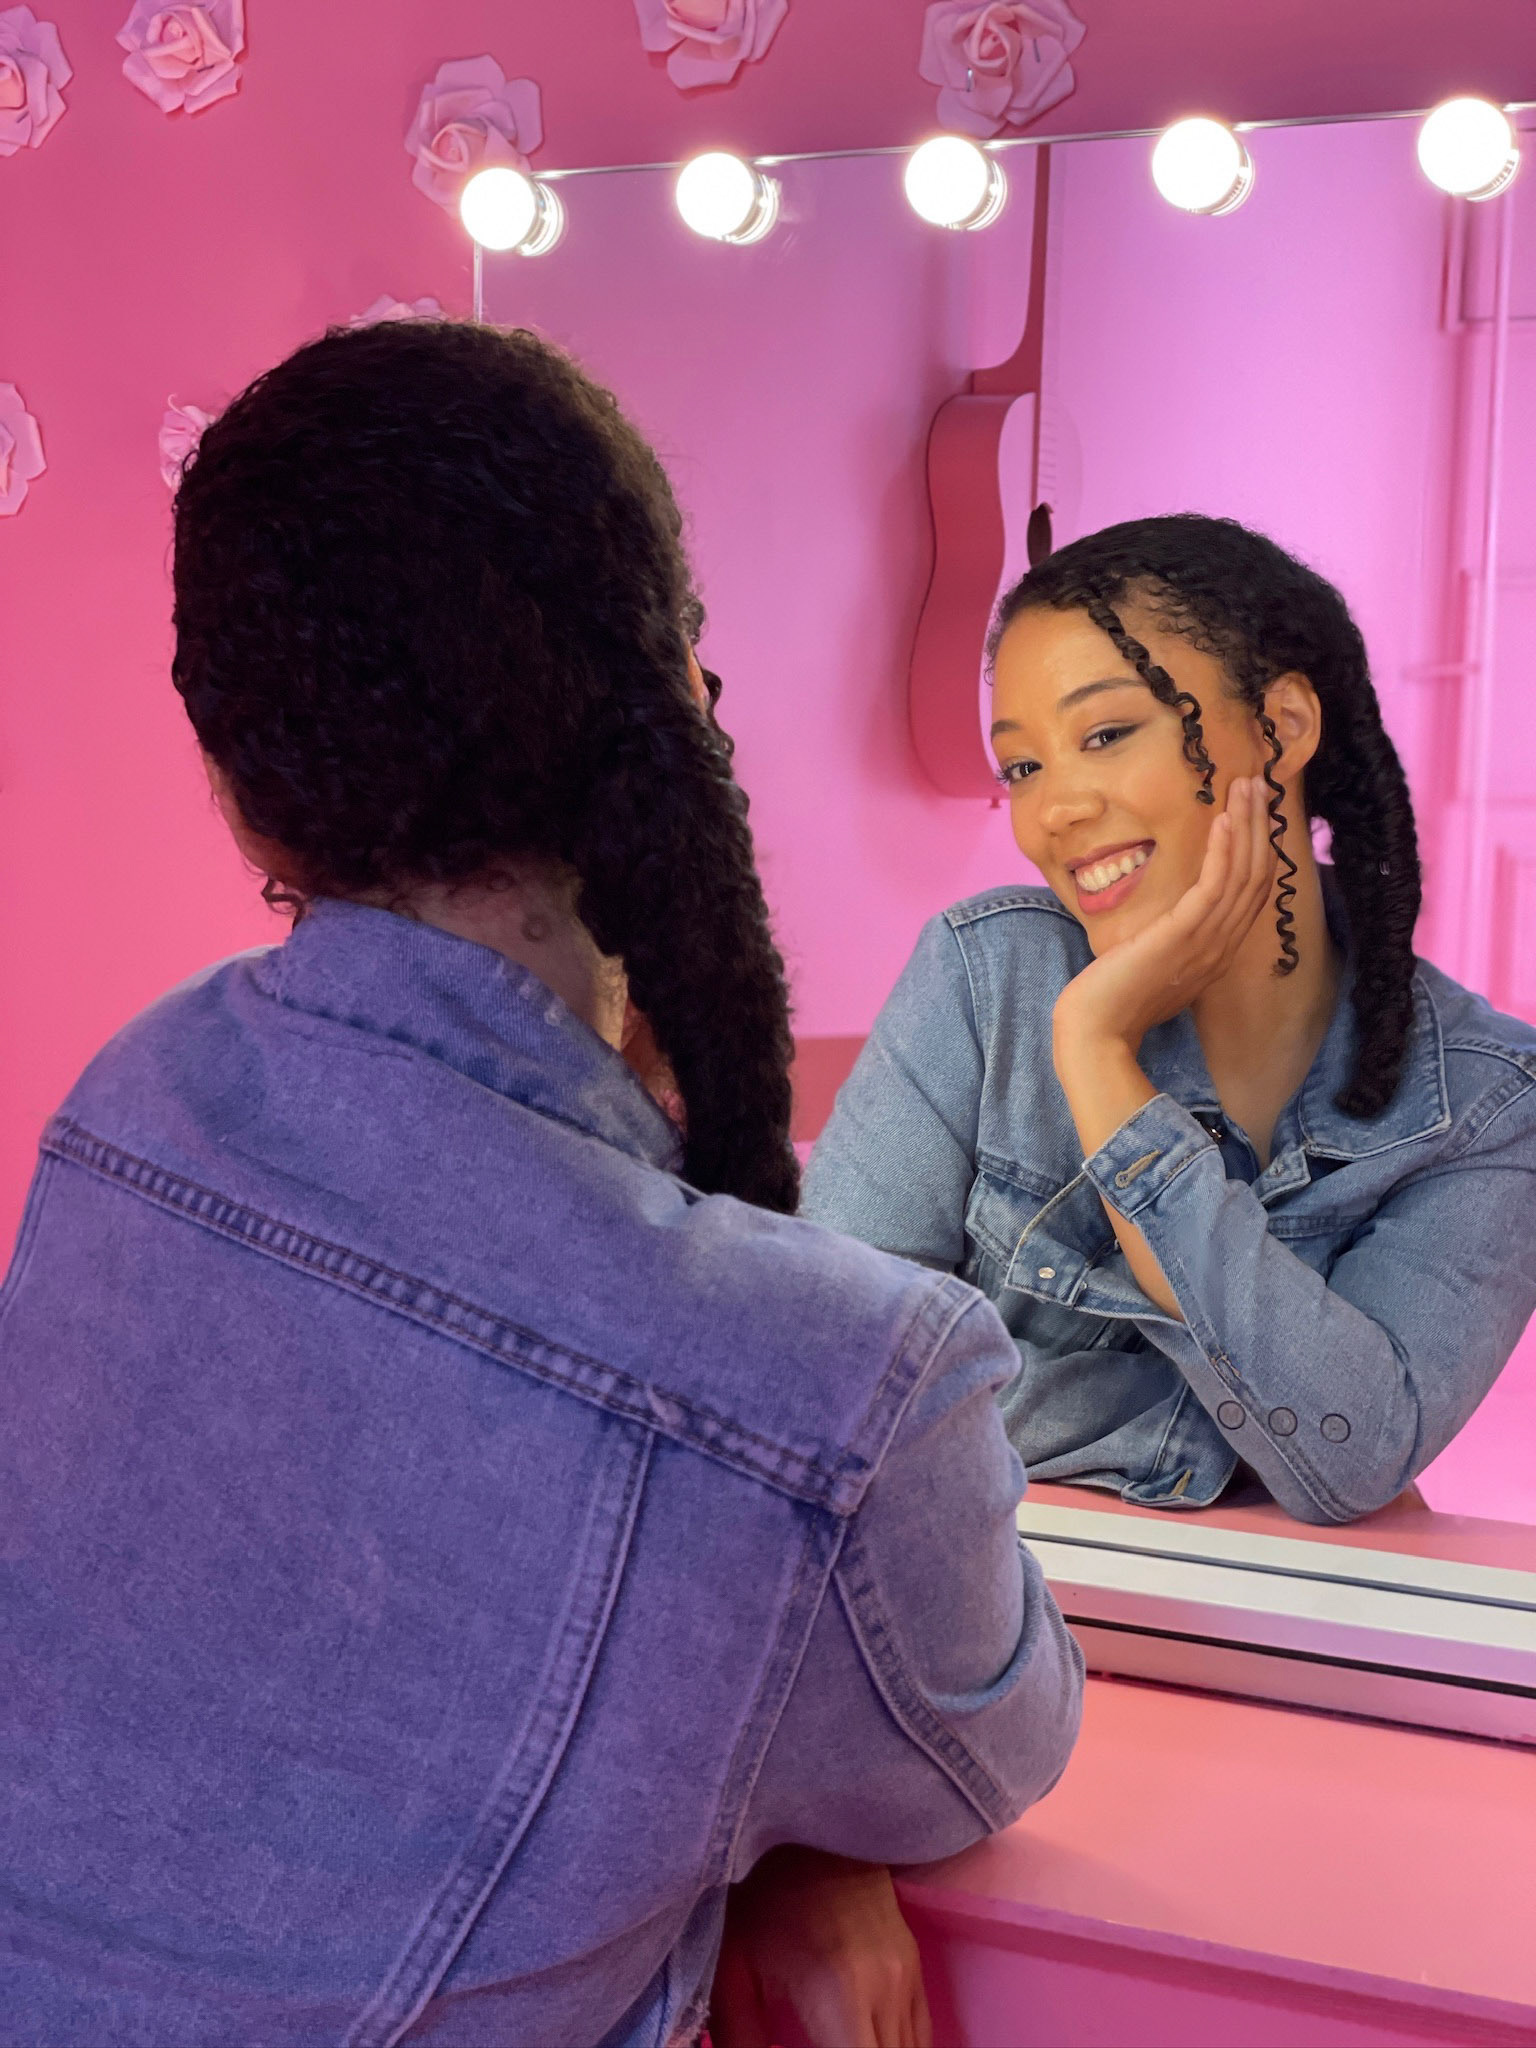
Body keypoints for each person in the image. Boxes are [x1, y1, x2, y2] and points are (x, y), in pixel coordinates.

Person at [0, 322, 1083, 2048]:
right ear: (682, 703)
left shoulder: (134, 1103)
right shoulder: (847, 1387)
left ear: (239, 793)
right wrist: (788, 1809)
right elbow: (977, 1748)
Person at [804, 515, 1536, 1527]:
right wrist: (1205, 1435)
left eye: (1106, 735)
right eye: (1023, 767)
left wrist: (1100, 1057)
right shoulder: (987, 976)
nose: (1052, 812)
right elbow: (822, 1366)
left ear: (1281, 727)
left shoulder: (1490, 1102)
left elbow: (1354, 1452)